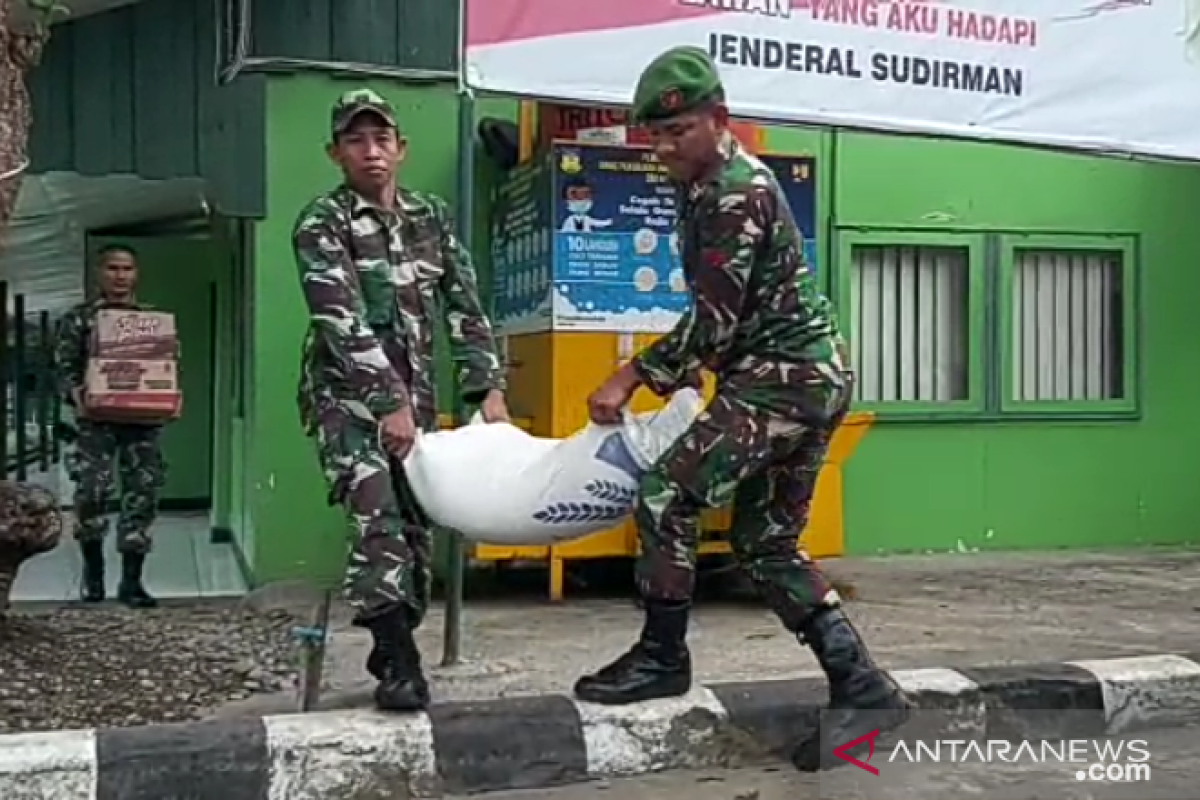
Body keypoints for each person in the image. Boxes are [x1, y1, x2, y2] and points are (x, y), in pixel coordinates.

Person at [578, 47, 912, 771]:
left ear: (719, 120)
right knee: (767, 545)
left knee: (668, 493)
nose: (663, 147)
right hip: (800, 377)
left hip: (783, 379)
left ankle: (662, 656)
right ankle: (861, 686)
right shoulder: (704, 184)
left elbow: (715, 323)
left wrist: (631, 372)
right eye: (655, 136)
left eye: (678, 132)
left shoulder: (734, 193)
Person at [292, 88, 510, 713]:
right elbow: (339, 320)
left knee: (415, 528)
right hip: (345, 399)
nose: (371, 151)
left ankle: (390, 640)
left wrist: (487, 388)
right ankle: (401, 664)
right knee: (379, 515)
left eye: (381, 139)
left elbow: (465, 306)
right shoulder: (321, 223)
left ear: (401, 148)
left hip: (414, 400)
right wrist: (386, 401)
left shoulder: (430, 218)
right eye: (356, 141)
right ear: (336, 153)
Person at [53, 243, 171, 609]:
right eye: (113, 269)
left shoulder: (151, 321)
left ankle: (132, 582)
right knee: (91, 494)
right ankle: (94, 576)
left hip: (141, 423)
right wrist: (76, 395)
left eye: (127, 269)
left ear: (137, 274)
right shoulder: (79, 319)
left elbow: (165, 366)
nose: (120, 276)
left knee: (142, 495)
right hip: (95, 423)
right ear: (99, 273)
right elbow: (62, 367)